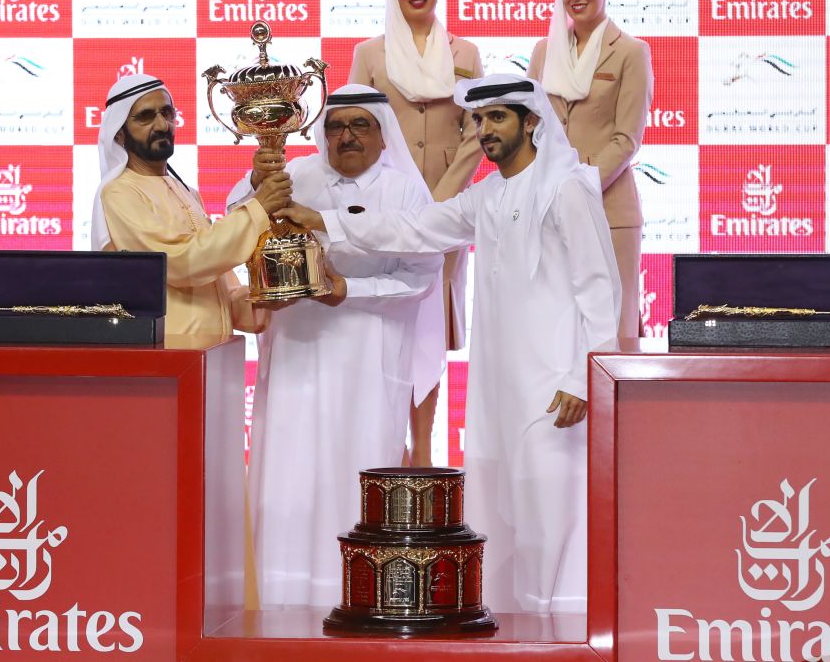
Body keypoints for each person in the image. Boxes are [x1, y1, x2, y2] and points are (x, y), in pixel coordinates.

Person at [277, 73, 621, 614]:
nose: (486, 130)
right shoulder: (486, 195)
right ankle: (515, 621)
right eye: (480, 120)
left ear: (532, 123)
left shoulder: (568, 185)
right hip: (500, 383)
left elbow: (601, 290)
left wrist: (584, 376)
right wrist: (324, 220)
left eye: (498, 118)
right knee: (504, 505)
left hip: (557, 385)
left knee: (554, 503)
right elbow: (414, 228)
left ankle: (571, 620)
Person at [228, 85, 443, 606]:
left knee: (357, 469)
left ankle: (358, 597)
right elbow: (237, 216)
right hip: (297, 351)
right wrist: (258, 179)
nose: (344, 136)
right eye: (334, 126)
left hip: (370, 355)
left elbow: (422, 274)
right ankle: (277, 595)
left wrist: (350, 289)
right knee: (290, 473)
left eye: (358, 125)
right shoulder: (296, 173)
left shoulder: (405, 191)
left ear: (381, 131)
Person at [349, 0, 484, 466]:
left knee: (431, 327)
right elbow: (355, 129)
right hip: (386, 209)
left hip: (447, 210)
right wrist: (398, 196)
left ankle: (424, 449)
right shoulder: (370, 54)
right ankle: (386, 442)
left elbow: (477, 132)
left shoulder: (465, 53)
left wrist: (441, 199)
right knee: (388, 319)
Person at [92, 73, 291, 336]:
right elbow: (181, 263)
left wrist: (268, 298)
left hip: (211, 357)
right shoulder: (119, 193)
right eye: (145, 116)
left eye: (167, 113)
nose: (162, 125)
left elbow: (222, 290)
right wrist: (258, 207)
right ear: (118, 134)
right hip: (164, 359)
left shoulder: (186, 192)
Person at [527, 0, 653, 339]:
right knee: (555, 328)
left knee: (612, 331)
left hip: (608, 207)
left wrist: (577, 185)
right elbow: (531, 127)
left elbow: (626, 138)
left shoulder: (631, 52)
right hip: (548, 207)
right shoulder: (544, 51)